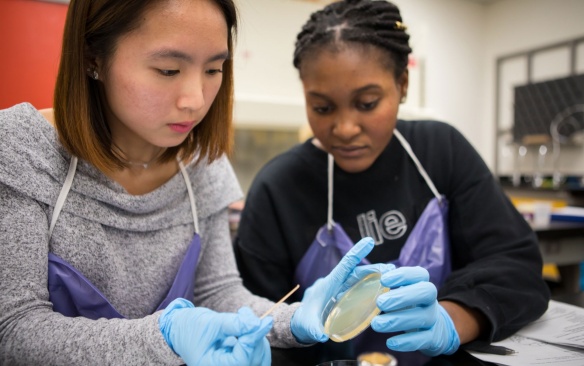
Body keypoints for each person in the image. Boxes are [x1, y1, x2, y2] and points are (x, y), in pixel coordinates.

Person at [0, 0, 390, 365]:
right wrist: (164, 338)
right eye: (168, 70)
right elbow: (14, 329)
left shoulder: (202, 163)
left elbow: (218, 294)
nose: (195, 100)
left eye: (213, 70)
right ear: (92, 58)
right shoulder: (21, 149)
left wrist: (296, 318)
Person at [234, 0, 551, 364]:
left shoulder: (440, 152)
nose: (345, 129)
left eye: (367, 103)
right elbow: (257, 318)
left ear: (402, 84)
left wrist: (450, 320)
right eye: (322, 108)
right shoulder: (279, 189)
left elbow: (516, 264)